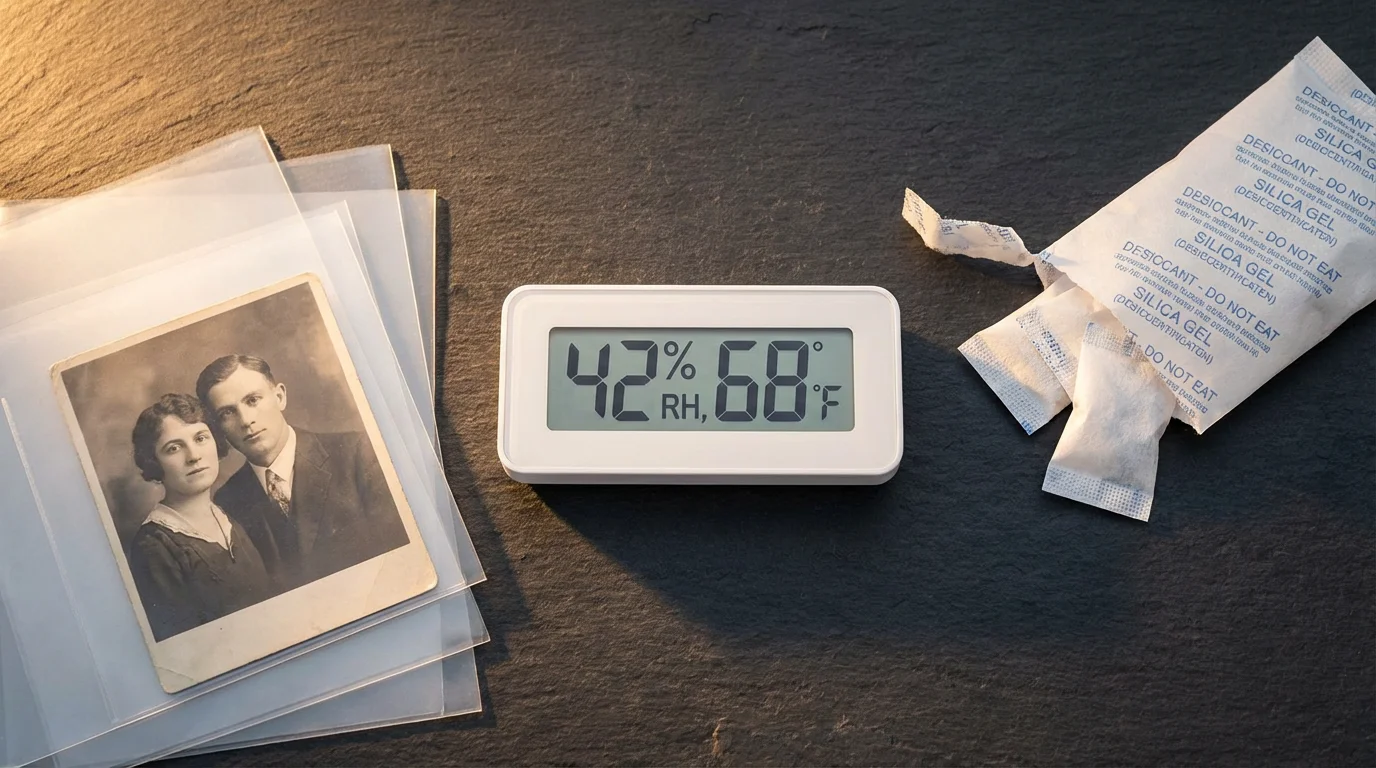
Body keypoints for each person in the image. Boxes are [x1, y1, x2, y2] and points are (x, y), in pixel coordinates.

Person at [196, 354, 410, 592]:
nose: (246, 420)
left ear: (279, 397)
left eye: (253, 400)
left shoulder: (358, 454)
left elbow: (404, 559)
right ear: (218, 428)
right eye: (227, 413)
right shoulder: (227, 501)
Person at [127, 393, 274, 642]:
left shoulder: (229, 516)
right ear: (154, 463)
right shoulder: (154, 547)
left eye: (201, 438)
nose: (193, 456)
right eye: (173, 448)